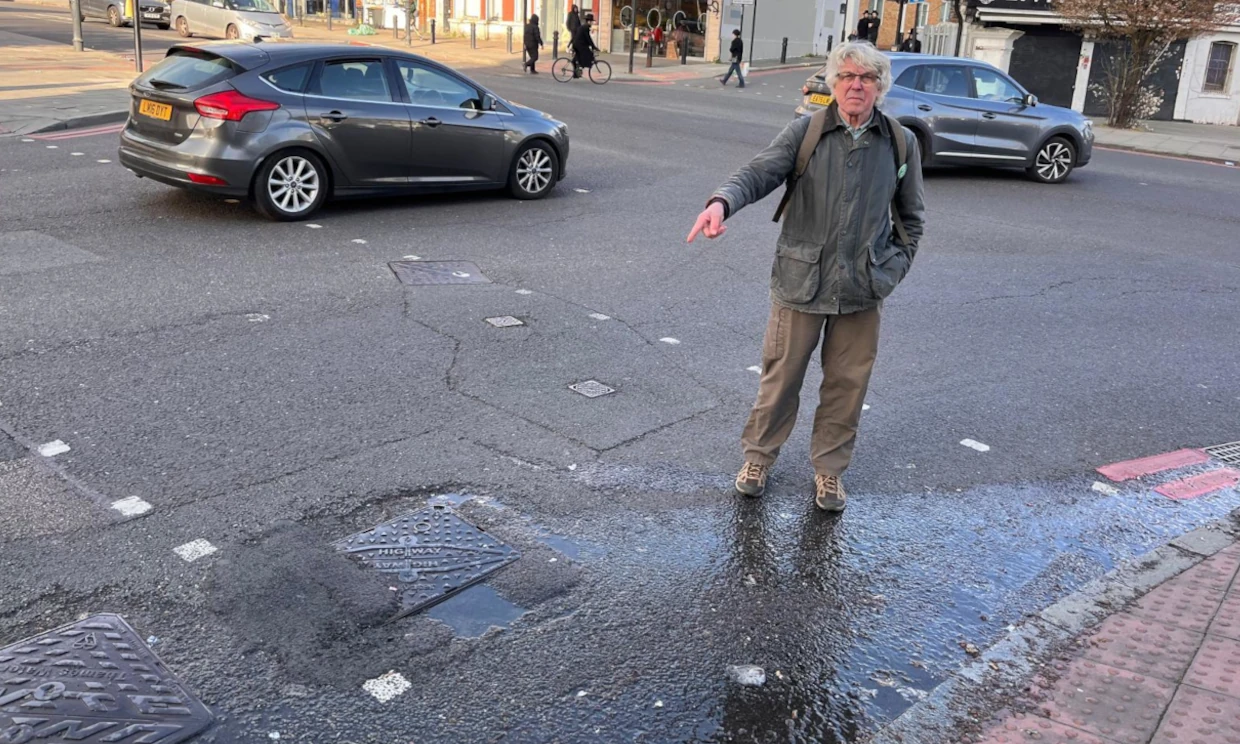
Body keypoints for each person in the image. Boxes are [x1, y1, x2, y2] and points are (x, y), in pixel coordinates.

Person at [685, 41, 925, 513]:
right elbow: (758, 172)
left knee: (846, 385)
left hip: (863, 288)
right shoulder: (806, 131)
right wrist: (720, 202)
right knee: (781, 379)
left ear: (879, 87)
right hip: (800, 283)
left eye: (867, 78)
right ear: (834, 83)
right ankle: (757, 459)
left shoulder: (899, 142)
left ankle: (830, 473)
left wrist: (891, 270)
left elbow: (911, 219)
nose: (857, 85)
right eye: (848, 77)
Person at [571, 12, 598, 77]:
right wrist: (593, 46)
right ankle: (581, 66)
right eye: (591, 22)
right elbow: (588, 38)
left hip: (577, 44)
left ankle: (576, 73)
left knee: (577, 58)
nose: (592, 23)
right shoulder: (585, 27)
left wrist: (592, 46)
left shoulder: (584, 27)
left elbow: (586, 38)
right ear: (589, 21)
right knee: (588, 53)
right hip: (579, 45)